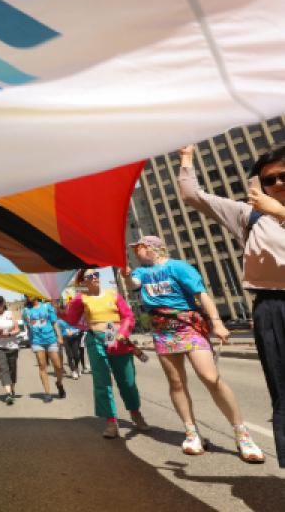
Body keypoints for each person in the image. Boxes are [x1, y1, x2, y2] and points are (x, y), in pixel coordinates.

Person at [179, 144, 285, 467]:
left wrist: (280, 212)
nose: (279, 184)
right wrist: (186, 157)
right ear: (259, 185)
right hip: (271, 309)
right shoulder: (248, 215)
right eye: (270, 180)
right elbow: (192, 195)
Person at [122, 235, 264, 462]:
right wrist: (127, 274)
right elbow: (133, 285)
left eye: (137, 247)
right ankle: (191, 432)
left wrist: (217, 322)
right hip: (162, 330)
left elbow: (201, 295)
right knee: (176, 382)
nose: (134, 251)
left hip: (189, 326)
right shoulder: (141, 272)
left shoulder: (178, 267)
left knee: (210, 377)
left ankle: (241, 433)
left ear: (151, 248)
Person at [64, 270, 149, 438]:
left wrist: (123, 332)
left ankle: (135, 413)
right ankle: (111, 421)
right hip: (95, 339)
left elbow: (128, 316)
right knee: (102, 382)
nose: (94, 278)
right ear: (83, 281)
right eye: (89, 277)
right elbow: (71, 319)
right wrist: (67, 302)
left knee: (127, 380)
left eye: (96, 274)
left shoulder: (112, 294)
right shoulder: (82, 298)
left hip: (116, 336)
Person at [22, 297, 66, 402]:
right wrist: (30, 339)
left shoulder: (46, 306)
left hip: (51, 339)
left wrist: (59, 336)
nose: (28, 296)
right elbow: (28, 326)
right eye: (26, 295)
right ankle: (47, 393)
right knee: (42, 366)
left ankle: (59, 383)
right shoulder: (26, 310)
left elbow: (54, 322)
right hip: (37, 341)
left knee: (58, 366)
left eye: (30, 293)